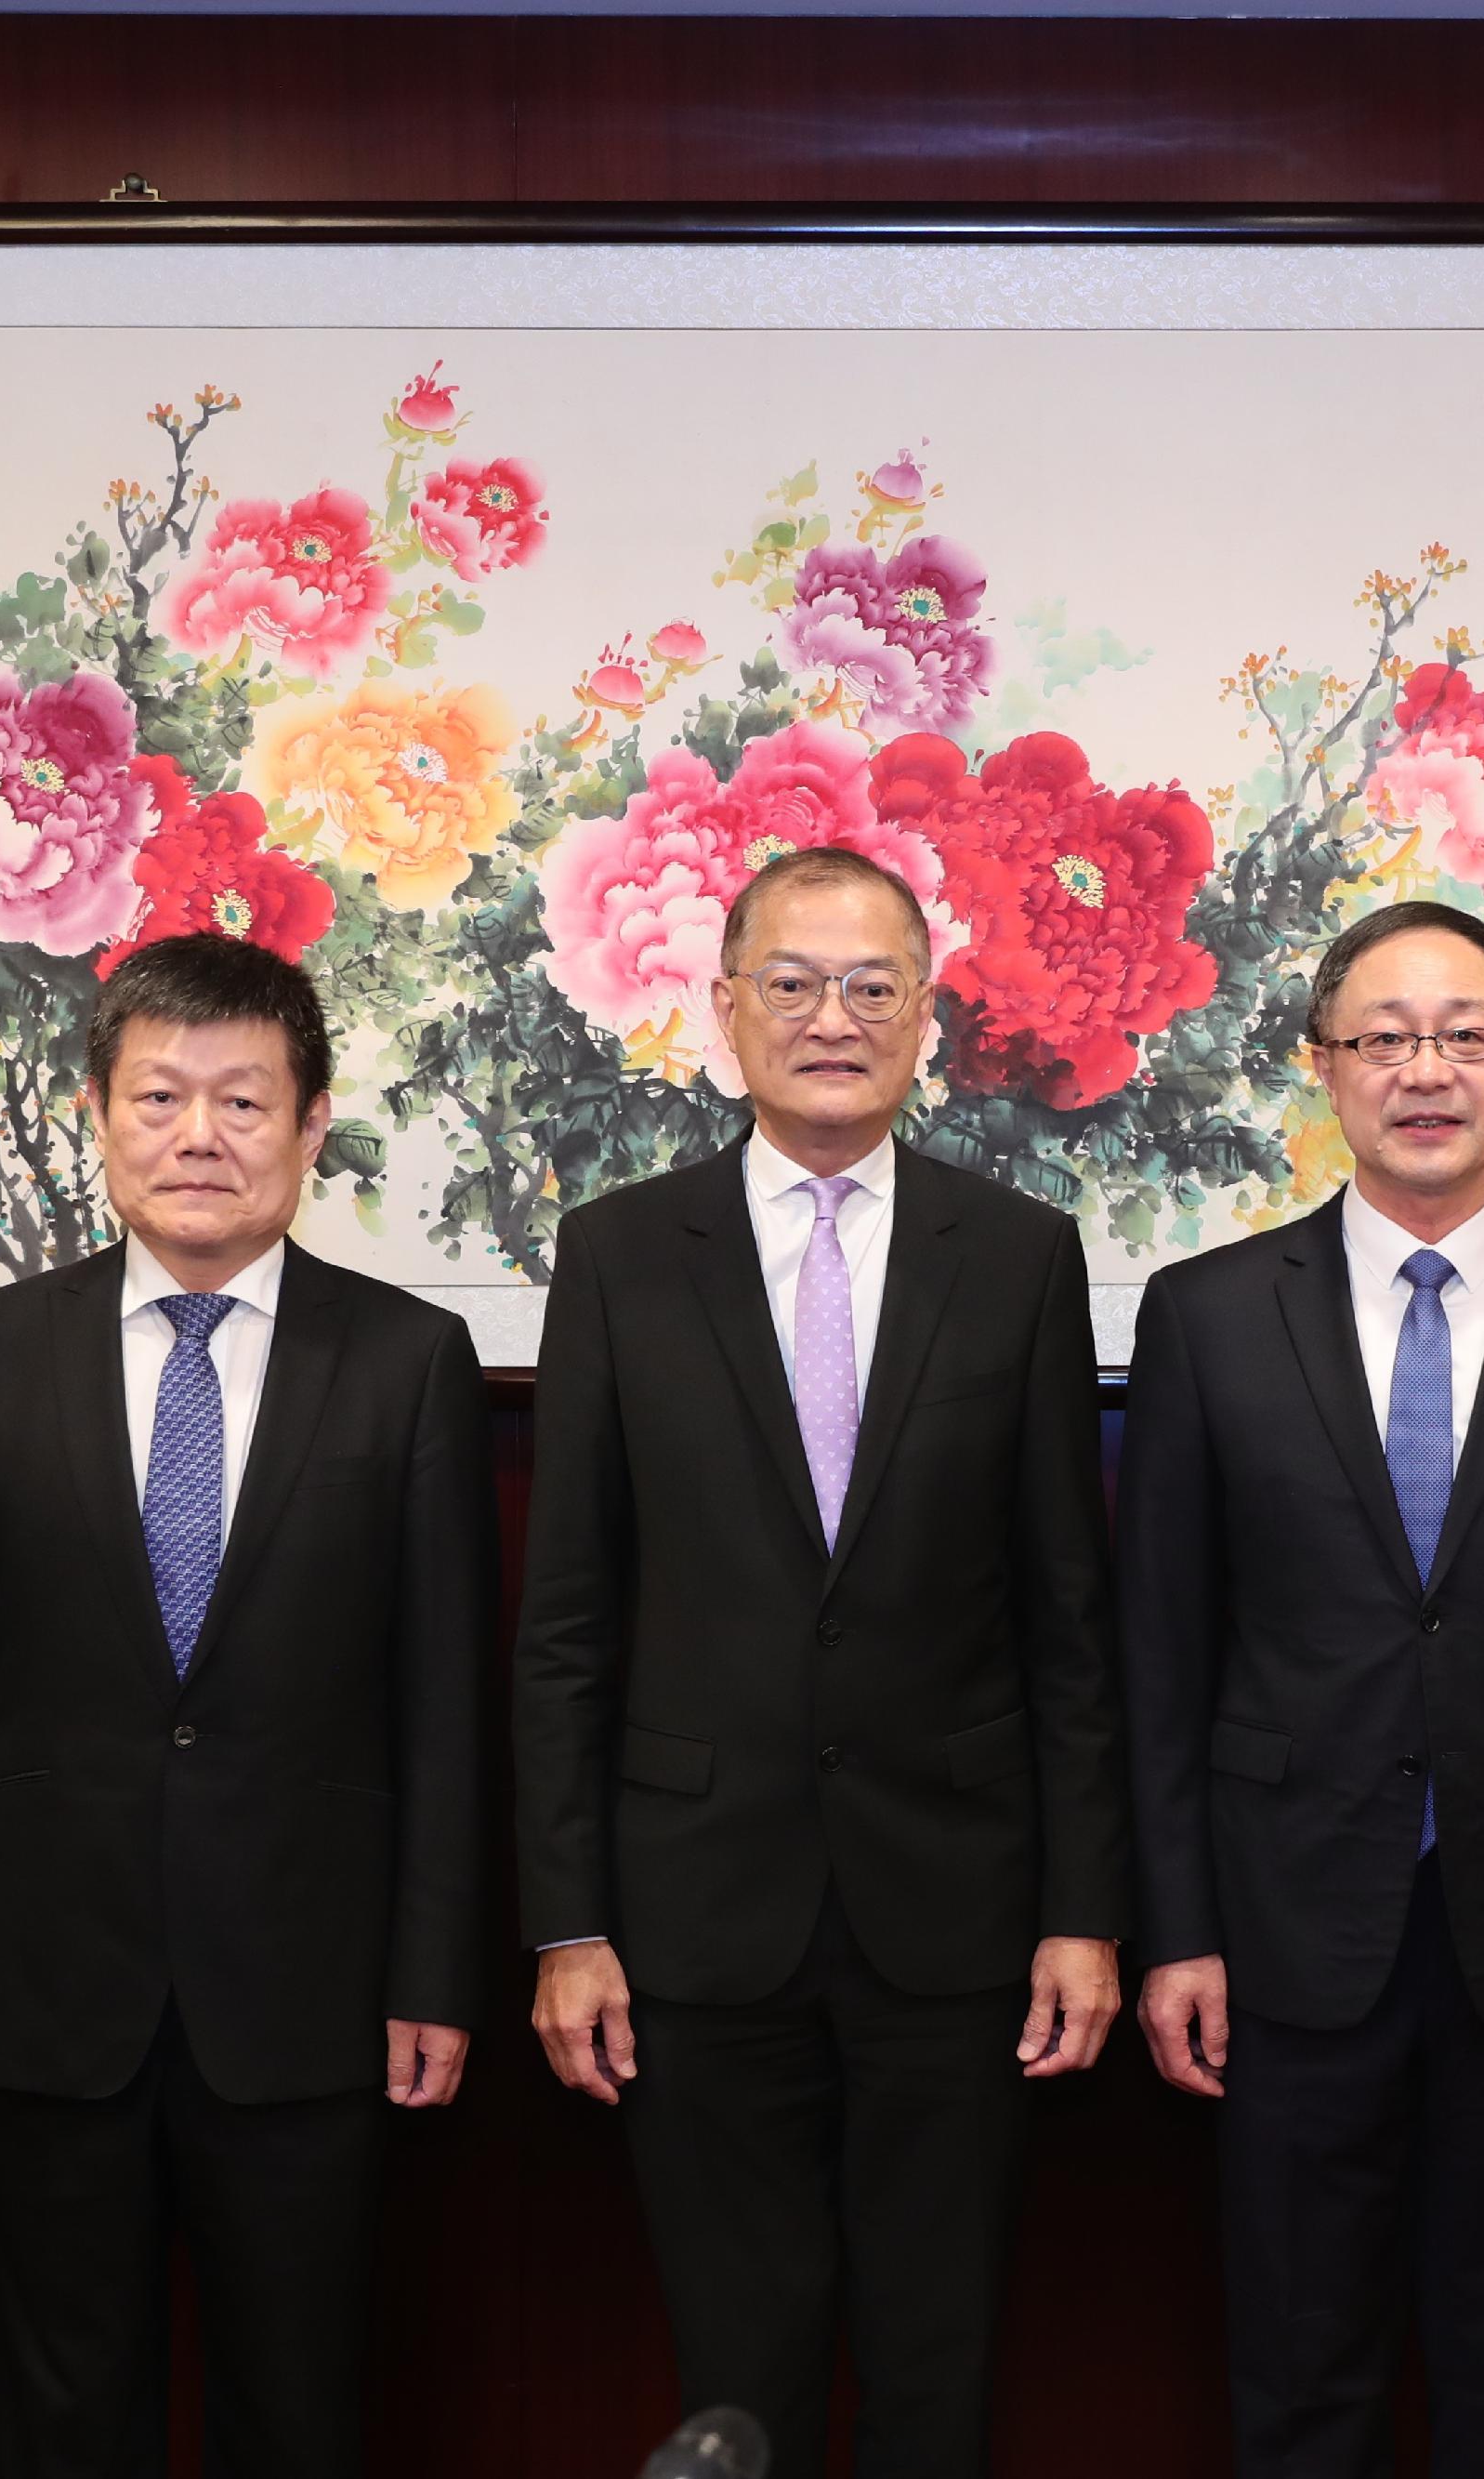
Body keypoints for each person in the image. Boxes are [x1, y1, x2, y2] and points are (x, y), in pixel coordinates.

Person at [510, 846, 1129, 2479]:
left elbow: (1070, 1620)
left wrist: (1083, 1910)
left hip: (961, 1909)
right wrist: (567, 1919)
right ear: (725, 1010)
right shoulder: (624, 1253)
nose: (830, 1018)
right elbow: (568, 1617)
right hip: (694, 1919)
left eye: (871, 987)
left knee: (942, 2366)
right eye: (790, 983)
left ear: (927, 1017)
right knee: (739, 2375)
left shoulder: (1019, 1257)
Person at [0, 935, 493, 2479]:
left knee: (300, 2399)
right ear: (97, 1116)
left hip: (311, 1992)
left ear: (310, 1126)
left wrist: (434, 1970)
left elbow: (448, 1700)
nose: (197, 1136)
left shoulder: (409, 1361)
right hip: (46, 1988)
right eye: (158, 1096)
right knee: (64, 2399)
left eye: (240, 1100)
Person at [1116, 901, 1484, 2477]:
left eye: (1466, 1035)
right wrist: (1174, 1927)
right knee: (1303, 2373)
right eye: (1384, 1037)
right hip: (1284, 1927)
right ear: (1325, 1069)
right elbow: (1163, 1656)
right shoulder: (1205, 1314)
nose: (1427, 1070)